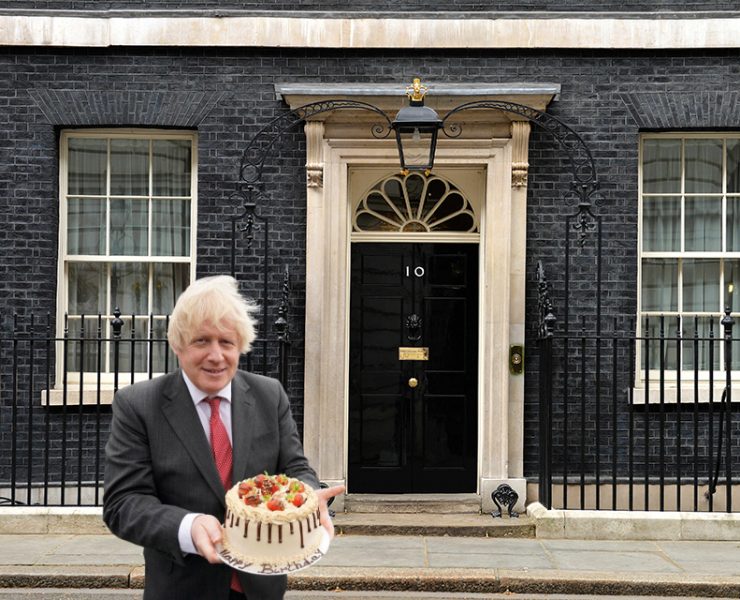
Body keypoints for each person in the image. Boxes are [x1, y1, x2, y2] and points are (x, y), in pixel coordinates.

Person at [103, 275, 344, 600]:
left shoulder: (268, 395)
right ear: (178, 345)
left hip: (261, 584)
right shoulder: (138, 405)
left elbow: (295, 468)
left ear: (240, 346)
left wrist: (306, 499)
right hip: (183, 588)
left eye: (227, 342)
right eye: (202, 341)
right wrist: (188, 526)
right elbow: (124, 503)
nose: (216, 355)